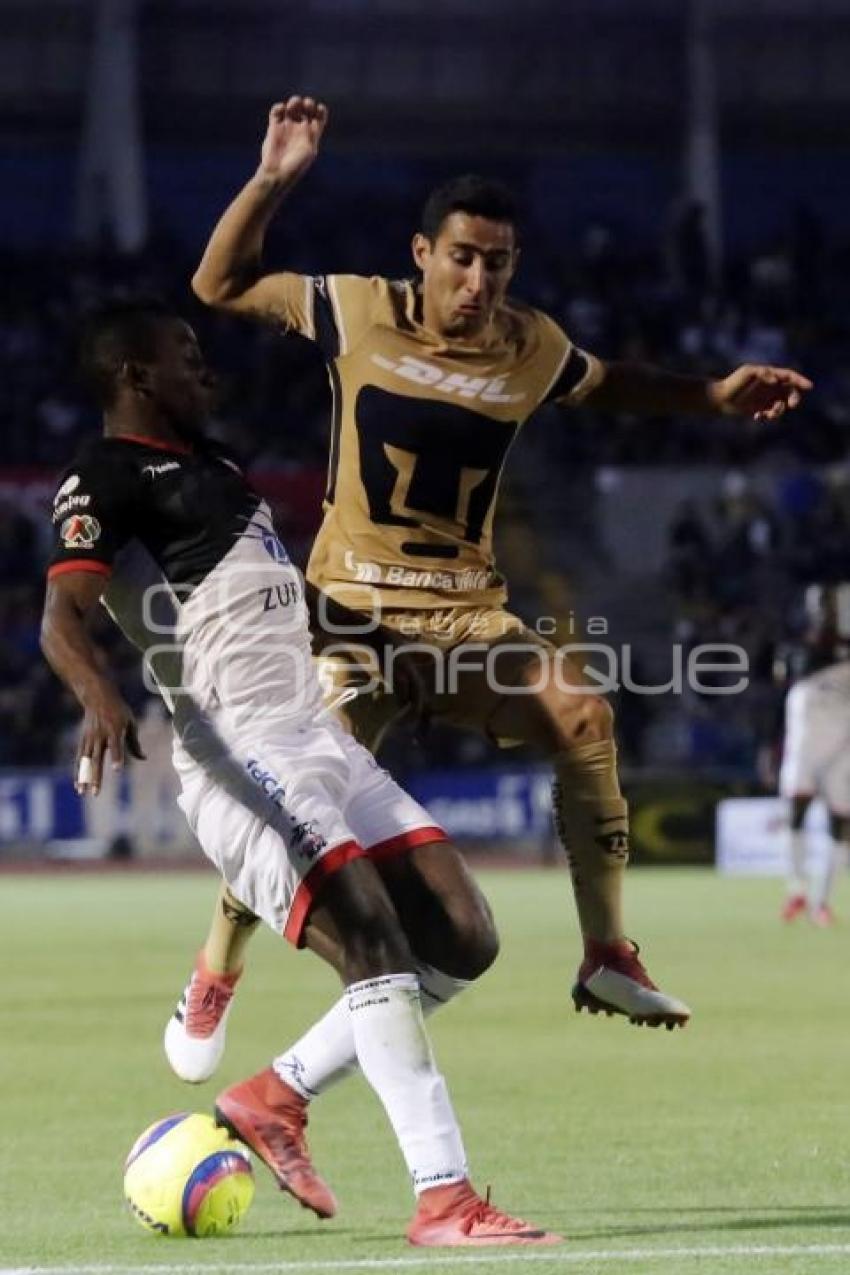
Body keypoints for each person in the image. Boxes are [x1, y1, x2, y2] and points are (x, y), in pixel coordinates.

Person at [172, 93, 812, 1074]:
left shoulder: (531, 347)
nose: (478, 279)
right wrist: (271, 181)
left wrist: (711, 396)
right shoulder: (354, 307)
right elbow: (217, 285)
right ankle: (217, 966)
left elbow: (610, 383)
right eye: (462, 257)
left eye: (497, 262)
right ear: (421, 253)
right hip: (349, 621)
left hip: (469, 621)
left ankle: (604, 953)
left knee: (584, 716)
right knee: (300, 812)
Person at [39, 299, 561, 1247]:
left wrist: (409, 651)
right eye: (185, 352)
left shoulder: (220, 468)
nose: (207, 369)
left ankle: (275, 1094)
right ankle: (445, 1200)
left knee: (463, 934)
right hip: (238, 750)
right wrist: (98, 695)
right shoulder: (104, 474)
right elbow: (61, 618)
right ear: (136, 374)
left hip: (317, 737)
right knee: (371, 941)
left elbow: (285, 602)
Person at [775, 583, 850, 925]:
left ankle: (822, 900)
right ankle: (797, 892)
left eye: (830, 604)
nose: (825, 611)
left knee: (840, 824)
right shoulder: (795, 650)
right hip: (804, 748)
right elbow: (780, 697)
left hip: (842, 750)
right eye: (819, 605)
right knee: (796, 816)